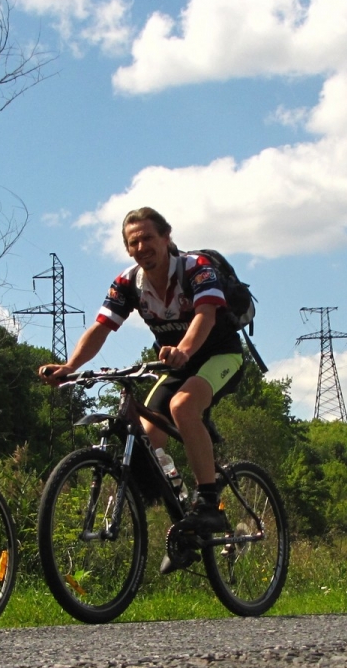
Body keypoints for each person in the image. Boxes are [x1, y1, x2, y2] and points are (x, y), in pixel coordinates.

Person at [38, 206, 244, 540]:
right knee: (149, 439)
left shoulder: (196, 268)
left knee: (182, 406)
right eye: (133, 242)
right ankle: (181, 521)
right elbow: (101, 328)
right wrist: (70, 367)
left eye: (148, 238)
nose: (141, 247)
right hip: (174, 364)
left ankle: (209, 503)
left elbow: (205, 315)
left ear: (166, 237)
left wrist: (184, 350)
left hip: (220, 355)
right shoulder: (128, 282)